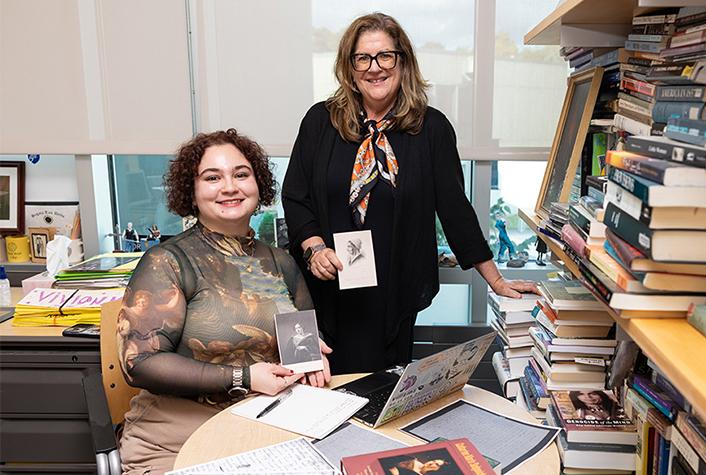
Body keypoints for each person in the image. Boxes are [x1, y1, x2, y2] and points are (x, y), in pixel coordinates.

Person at [282, 12, 537, 374]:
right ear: (350, 68)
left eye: (385, 56)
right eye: (363, 58)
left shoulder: (431, 129)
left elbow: (455, 210)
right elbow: (295, 196)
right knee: (322, 387)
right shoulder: (320, 122)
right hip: (325, 288)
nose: (375, 67)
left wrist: (495, 280)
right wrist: (314, 248)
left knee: (382, 390)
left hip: (392, 292)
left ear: (402, 62)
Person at [116, 129, 331, 474]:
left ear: (258, 185)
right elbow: (139, 363)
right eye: (212, 178)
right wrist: (244, 377)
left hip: (264, 428)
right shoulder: (167, 261)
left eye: (241, 174)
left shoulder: (280, 262)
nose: (230, 187)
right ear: (192, 191)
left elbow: (301, 342)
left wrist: (310, 358)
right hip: (176, 437)